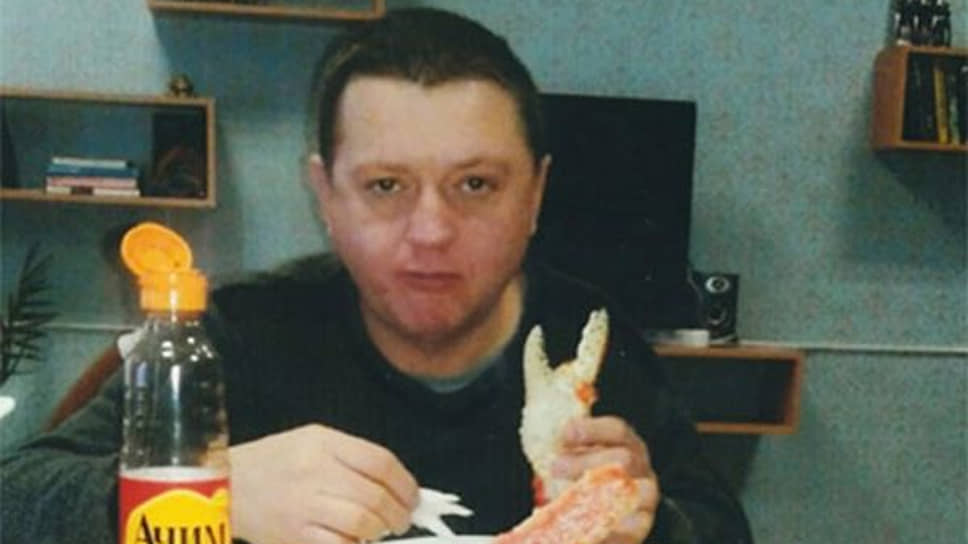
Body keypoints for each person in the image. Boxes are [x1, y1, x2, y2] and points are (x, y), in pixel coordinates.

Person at [1, 7, 752, 544]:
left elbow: (721, 528)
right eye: (386, 186)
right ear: (327, 197)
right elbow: (18, 497)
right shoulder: (241, 337)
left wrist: (654, 524)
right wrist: (207, 492)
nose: (431, 232)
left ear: (535, 196)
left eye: (476, 185)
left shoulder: (592, 344)